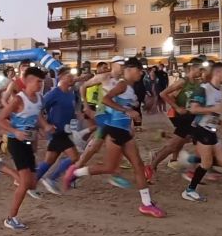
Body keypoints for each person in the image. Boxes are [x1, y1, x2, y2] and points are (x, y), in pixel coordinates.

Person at [63, 58, 166, 218]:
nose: (141, 74)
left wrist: (137, 113)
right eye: (139, 71)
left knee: (138, 166)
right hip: (114, 130)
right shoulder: (122, 84)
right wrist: (127, 112)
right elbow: (106, 99)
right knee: (110, 167)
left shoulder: (130, 88)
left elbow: (126, 107)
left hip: (124, 131)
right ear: (131, 70)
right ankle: (76, 173)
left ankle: (146, 204)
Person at [0, 67, 53, 230]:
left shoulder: (39, 98)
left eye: (42, 81)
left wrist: (45, 126)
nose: (41, 84)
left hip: (28, 142)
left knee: (31, 184)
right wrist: (15, 131)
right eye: (38, 81)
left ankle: (2, 167)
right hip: (16, 142)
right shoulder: (18, 99)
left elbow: (37, 115)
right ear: (29, 81)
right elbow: (0, 119)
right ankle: (11, 218)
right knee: (24, 184)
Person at [75, 56, 130, 188]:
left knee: (99, 145)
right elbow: (83, 87)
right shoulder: (104, 77)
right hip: (104, 116)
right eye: (120, 65)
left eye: (124, 65)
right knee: (97, 145)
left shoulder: (124, 81)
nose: (122, 67)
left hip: (116, 118)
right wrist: (86, 105)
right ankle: (76, 171)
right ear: (113, 65)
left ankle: (77, 170)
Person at [145, 58, 204, 181]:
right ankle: (152, 166)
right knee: (174, 145)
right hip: (182, 117)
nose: (202, 72)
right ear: (192, 68)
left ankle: (191, 169)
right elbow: (163, 94)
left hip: (191, 117)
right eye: (200, 69)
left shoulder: (197, 83)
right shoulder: (183, 81)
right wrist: (177, 107)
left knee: (189, 140)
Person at [181, 63, 222, 201]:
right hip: (200, 129)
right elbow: (193, 109)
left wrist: (219, 121)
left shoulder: (219, 91)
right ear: (217, 73)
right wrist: (213, 109)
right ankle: (190, 190)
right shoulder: (203, 89)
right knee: (207, 163)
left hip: (211, 129)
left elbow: (213, 112)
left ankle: (190, 160)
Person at [33, 67, 81, 195]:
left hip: (64, 131)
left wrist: (74, 123)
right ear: (61, 77)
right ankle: (51, 178)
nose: (71, 78)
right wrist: (44, 125)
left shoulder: (71, 93)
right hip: (56, 131)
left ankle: (31, 183)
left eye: (72, 76)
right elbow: (38, 109)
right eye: (68, 76)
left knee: (49, 160)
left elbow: (71, 111)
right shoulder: (54, 93)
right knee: (75, 157)